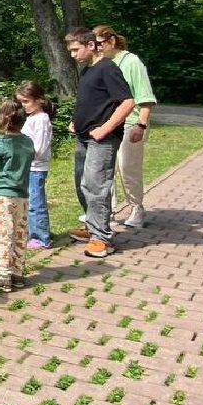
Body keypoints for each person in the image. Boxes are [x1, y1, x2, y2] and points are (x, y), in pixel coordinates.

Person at [64, 28, 134, 259]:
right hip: (84, 136)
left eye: (76, 49)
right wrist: (76, 120)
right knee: (82, 184)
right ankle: (92, 228)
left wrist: (105, 128)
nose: (73, 55)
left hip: (101, 140)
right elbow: (90, 101)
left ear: (91, 45)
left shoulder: (108, 68)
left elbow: (127, 102)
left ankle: (102, 239)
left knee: (96, 186)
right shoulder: (87, 71)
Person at [92, 25, 157, 229]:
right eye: (94, 44)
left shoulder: (131, 62)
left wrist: (141, 124)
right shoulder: (101, 63)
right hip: (107, 124)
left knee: (127, 168)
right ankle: (106, 211)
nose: (97, 48)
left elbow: (145, 97)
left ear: (111, 40)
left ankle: (136, 208)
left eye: (100, 43)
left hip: (130, 123)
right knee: (103, 169)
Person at [0, 99, 34, 291]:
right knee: (20, 234)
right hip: (22, 195)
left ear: (1, 120)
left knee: (4, 235)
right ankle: (18, 273)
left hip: (2, 195)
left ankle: (3, 276)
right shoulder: (28, 142)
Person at [14, 81, 54, 249]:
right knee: (29, 202)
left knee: (36, 204)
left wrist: (23, 151)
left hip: (36, 168)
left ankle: (42, 237)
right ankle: (33, 233)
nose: (23, 106)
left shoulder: (42, 120)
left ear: (39, 100)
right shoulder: (32, 118)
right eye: (21, 102)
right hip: (28, 167)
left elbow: (40, 148)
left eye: (26, 101)